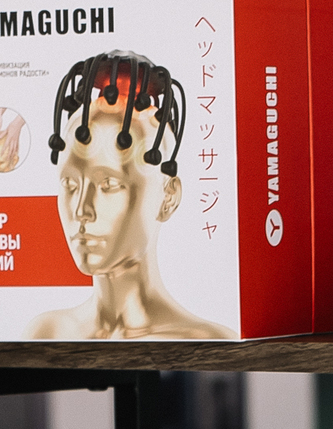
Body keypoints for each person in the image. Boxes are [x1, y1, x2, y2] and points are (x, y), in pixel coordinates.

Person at [28, 50, 233, 341]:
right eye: (70, 184)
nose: (82, 210)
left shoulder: (205, 342)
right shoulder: (48, 333)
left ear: (169, 197)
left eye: (109, 184)